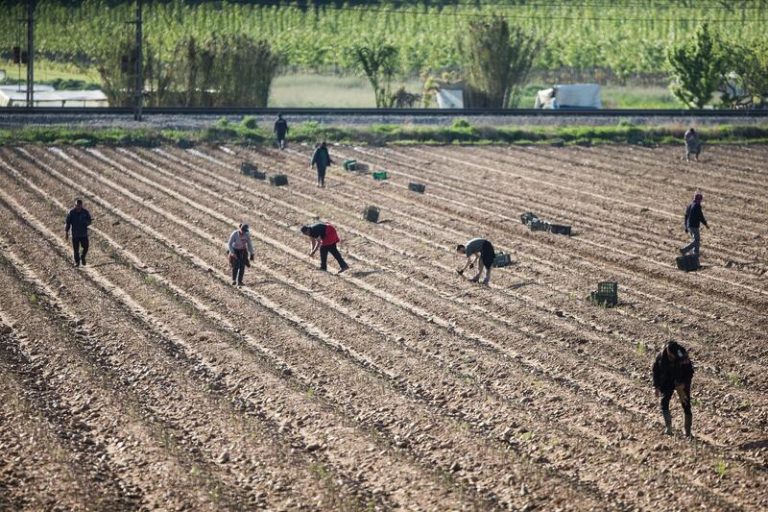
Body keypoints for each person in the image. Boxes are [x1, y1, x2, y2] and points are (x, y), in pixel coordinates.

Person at [652, 341, 695, 437]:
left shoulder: (682, 355)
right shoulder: (661, 357)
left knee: (686, 404)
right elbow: (655, 371)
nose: (673, 358)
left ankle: (687, 432)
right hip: (667, 380)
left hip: (681, 379)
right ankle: (668, 428)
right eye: (671, 356)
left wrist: (683, 384)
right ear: (668, 352)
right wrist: (656, 386)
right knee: (664, 402)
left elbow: (690, 372)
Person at [65, 198, 92, 267]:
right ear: (75, 205)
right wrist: (66, 232)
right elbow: (68, 223)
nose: (78, 207)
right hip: (75, 234)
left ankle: (83, 257)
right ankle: (77, 262)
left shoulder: (85, 212)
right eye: (76, 205)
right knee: (76, 249)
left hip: (83, 234)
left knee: (86, 247)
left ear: (81, 205)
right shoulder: (71, 212)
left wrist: (86, 222)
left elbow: (89, 221)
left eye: (79, 206)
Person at [680, 192, 709, 257]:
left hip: (689, 225)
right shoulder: (697, 206)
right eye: (700, 200)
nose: (701, 201)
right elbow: (700, 216)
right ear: (699, 199)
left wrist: (686, 227)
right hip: (694, 226)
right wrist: (705, 224)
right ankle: (684, 250)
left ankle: (696, 254)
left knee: (695, 240)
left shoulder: (690, 205)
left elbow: (686, 216)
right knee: (696, 240)